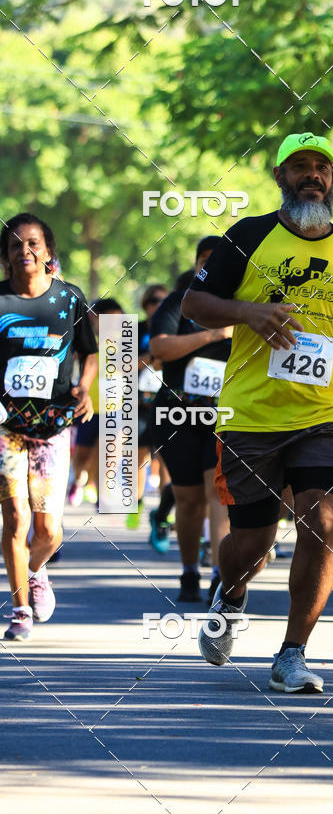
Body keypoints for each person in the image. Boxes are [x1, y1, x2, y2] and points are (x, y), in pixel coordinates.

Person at [181, 131, 333, 693]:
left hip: (328, 410)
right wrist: (248, 312)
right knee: (253, 540)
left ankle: (292, 654)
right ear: (279, 176)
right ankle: (229, 592)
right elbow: (195, 305)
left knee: (323, 523)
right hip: (252, 413)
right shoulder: (248, 236)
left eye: (320, 167)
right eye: (298, 166)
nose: (311, 175)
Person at [0, 213, 97, 640]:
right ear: (6, 256)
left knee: (48, 531)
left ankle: (37, 571)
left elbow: (90, 352)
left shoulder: (69, 299)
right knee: (16, 519)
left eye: (33, 244)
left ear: (48, 251)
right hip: (5, 427)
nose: (25, 251)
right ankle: (20, 610)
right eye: (16, 245)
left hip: (53, 427)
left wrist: (86, 389)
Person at [150, 237, 231, 602]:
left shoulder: (242, 303)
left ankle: (218, 573)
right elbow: (161, 347)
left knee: (217, 493)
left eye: (218, 260)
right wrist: (213, 335)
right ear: (196, 263)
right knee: (188, 499)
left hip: (224, 414)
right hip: (176, 413)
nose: (209, 266)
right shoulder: (178, 301)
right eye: (204, 260)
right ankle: (188, 572)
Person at [67, 298, 124, 508]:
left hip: (114, 409)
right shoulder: (84, 342)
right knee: (83, 454)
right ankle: (78, 479)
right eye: (108, 319)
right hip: (89, 408)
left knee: (108, 454)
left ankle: (103, 497)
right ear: (94, 317)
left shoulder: (123, 344)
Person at [127, 283, 168, 533]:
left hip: (167, 400)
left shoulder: (175, 326)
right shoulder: (136, 329)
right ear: (145, 303)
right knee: (139, 457)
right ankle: (137, 502)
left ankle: (165, 511)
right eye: (153, 300)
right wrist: (153, 357)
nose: (158, 305)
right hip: (139, 402)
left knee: (166, 458)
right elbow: (125, 363)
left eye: (163, 300)